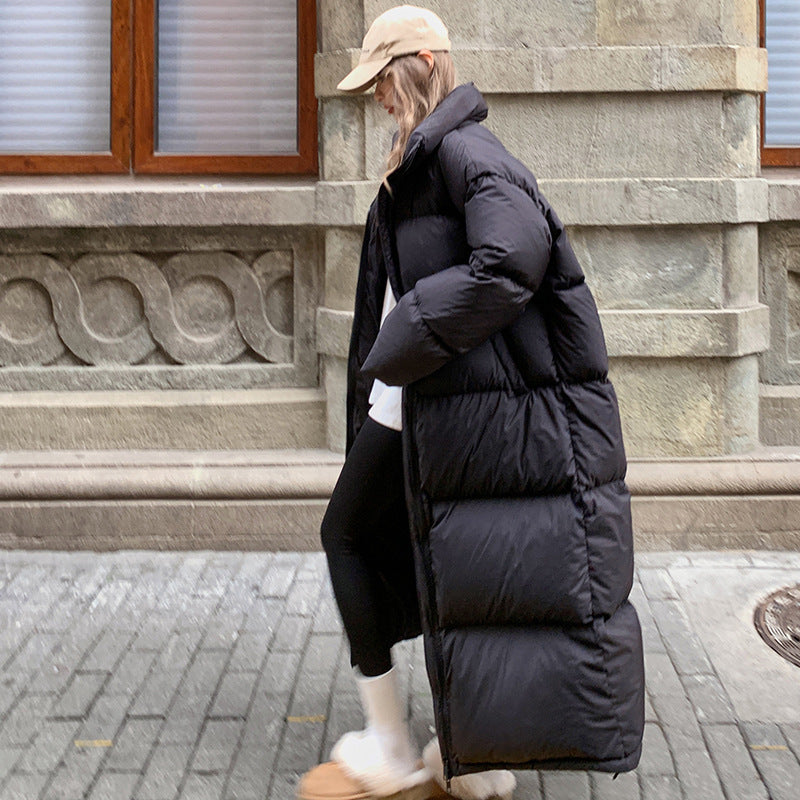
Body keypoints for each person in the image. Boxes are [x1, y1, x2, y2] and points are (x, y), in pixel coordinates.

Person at [297, 6, 645, 800]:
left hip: (424, 391)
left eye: (382, 81)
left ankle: (389, 743)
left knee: (347, 534)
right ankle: (476, 758)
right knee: (448, 560)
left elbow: (510, 258)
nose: (377, 98)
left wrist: (401, 344)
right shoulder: (430, 151)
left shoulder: (463, 150)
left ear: (416, 67)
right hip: (428, 397)